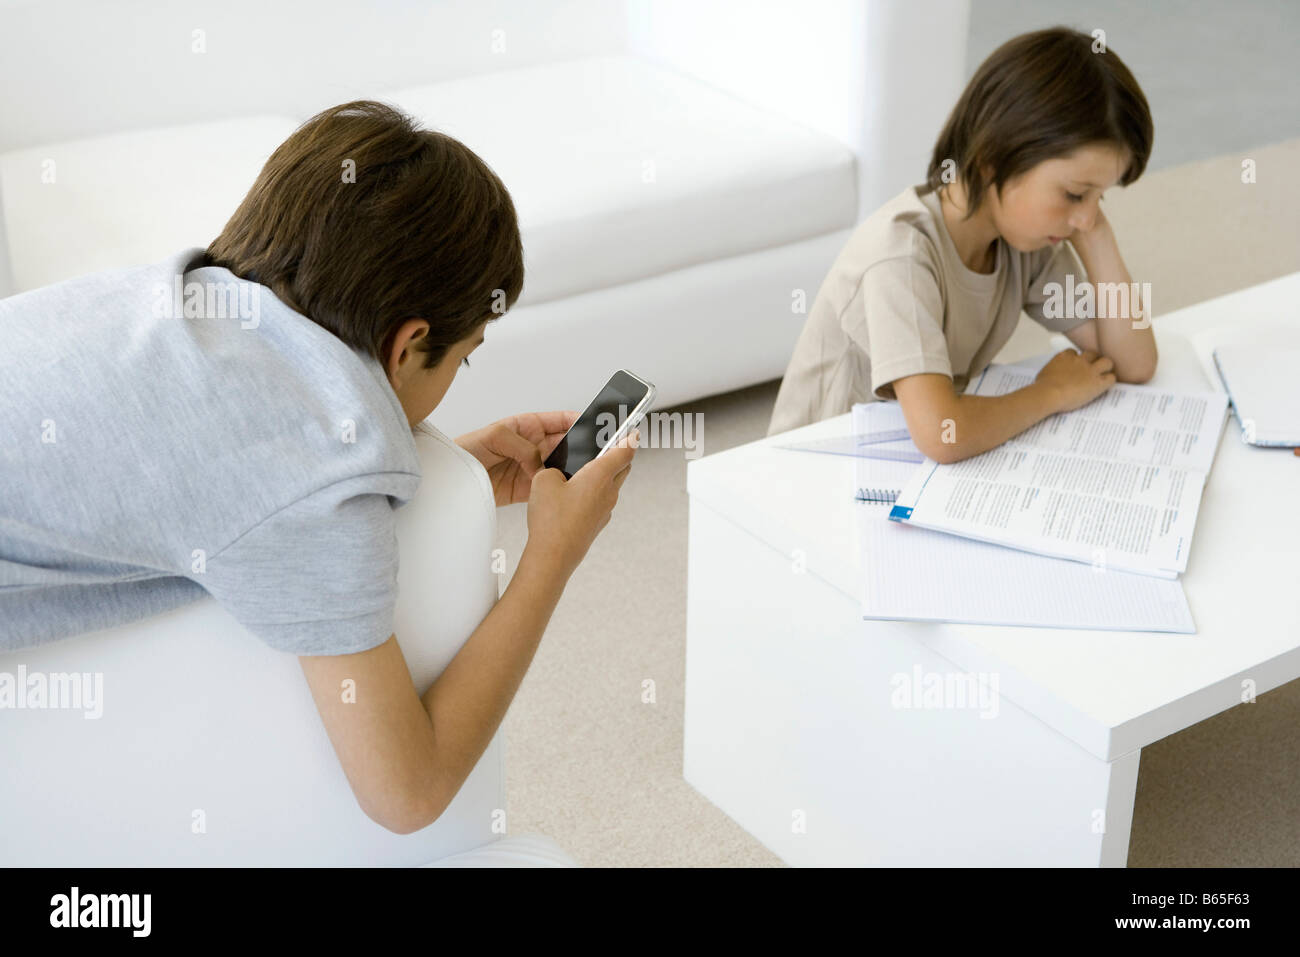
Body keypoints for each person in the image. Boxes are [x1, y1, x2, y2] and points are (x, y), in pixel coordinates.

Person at [0, 100, 637, 835]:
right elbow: (408, 790)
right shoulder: (310, 468)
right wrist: (551, 557)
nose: (462, 373)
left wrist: (449, 476)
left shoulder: (193, 300)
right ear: (408, 346)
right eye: (467, 355)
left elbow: (216, 472)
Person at [768, 27, 1158, 463]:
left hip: (899, 452)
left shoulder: (1027, 242)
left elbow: (1134, 363)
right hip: (816, 470)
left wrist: (1097, 234)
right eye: (1073, 194)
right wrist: (1051, 393)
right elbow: (943, 435)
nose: (1086, 216)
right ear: (993, 159)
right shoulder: (901, 257)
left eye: (1099, 198)